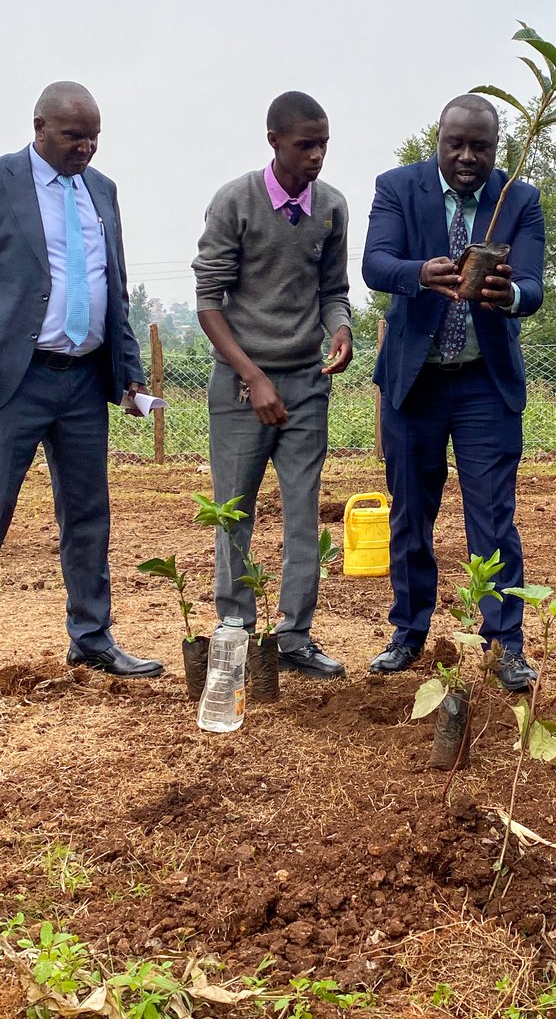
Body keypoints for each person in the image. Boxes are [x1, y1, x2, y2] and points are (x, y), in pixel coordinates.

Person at [362, 94, 545, 691]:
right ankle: (409, 633)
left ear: (499, 149)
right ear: (437, 141)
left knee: (492, 517)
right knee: (411, 511)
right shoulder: (397, 188)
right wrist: (420, 274)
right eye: (456, 144)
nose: (467, 157)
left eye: (481, 147)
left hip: (483, 387)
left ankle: (504, 644)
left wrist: (508, 295)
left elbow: (534, 287)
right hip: (414, 383)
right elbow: (374, 264)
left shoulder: (519, 199)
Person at [0, 82, 162, 678]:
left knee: (89, 513)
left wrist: (129, 374)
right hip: (14, 381)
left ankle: (92, 636)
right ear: (39, 126)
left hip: (82, 384)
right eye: (74, 135)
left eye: (94, 135)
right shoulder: (4, 180)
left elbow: (112, 285)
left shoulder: (102, 190)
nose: (86, 147)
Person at [192, 91, 352, 678]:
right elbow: (209, 302)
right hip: (242, 386)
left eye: (324, 144)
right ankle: (235, 632)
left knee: (303, 510)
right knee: (233, 512)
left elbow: (333, 291)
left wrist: (340, 330)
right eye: (305, 144)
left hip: (307, 383)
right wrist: (253, 375)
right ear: (274, 141)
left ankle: (296, 636)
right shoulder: (235, 202)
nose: (317, 156)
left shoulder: (331, 207)